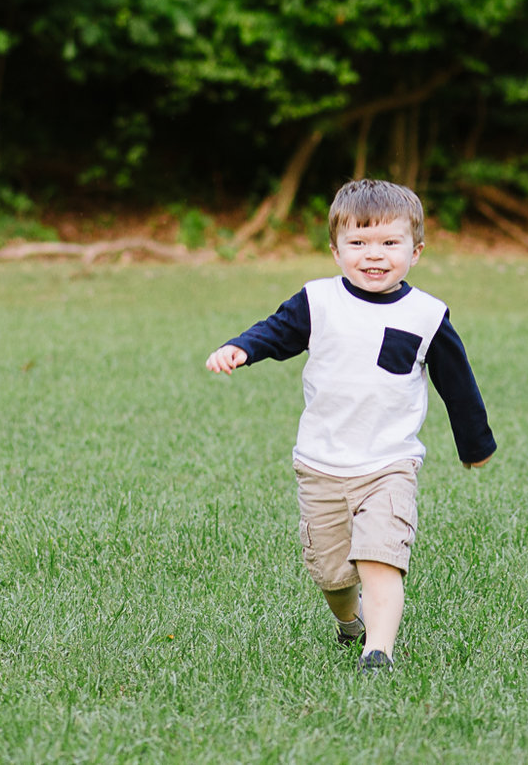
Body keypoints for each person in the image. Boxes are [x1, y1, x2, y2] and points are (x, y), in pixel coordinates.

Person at [205, 178, 495, 673]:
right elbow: (275, 332)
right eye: (358, 243)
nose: (373, 255)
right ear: (336, 251)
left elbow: (458, 385)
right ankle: (349, 622)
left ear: (416, 250)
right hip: (321, 463)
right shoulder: (318, 302)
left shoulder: (426, 315)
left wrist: (474, 444)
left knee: (381, 556)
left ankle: (377, 650)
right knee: (334, 575)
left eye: (389, 242)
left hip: (389, 462)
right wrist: (243, 348)